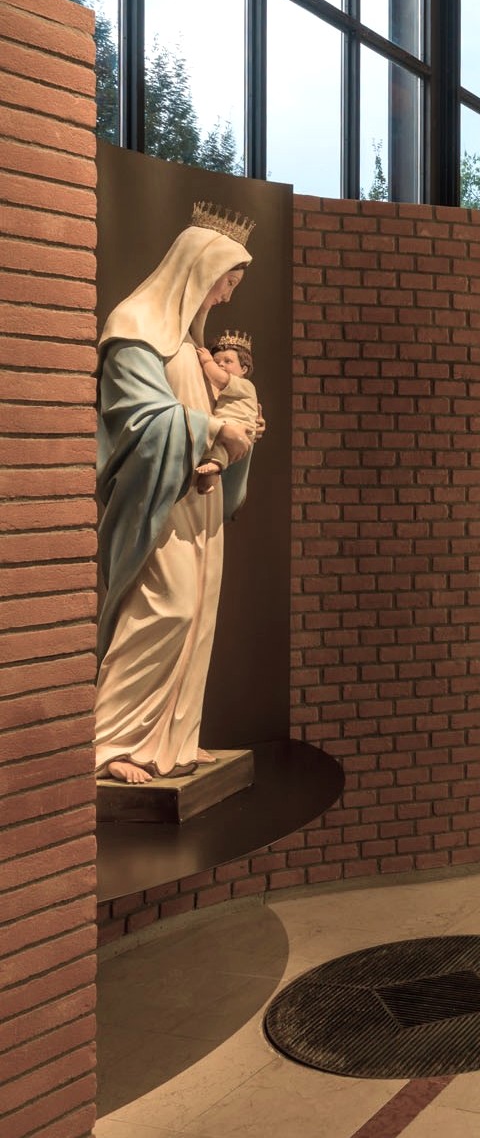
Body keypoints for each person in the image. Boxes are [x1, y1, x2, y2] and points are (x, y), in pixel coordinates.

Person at [94, 204, 260, 783]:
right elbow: (135, 419)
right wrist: (214, 429)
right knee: (167, 606)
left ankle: (173, 739)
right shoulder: (134, 327)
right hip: (157, 497)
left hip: (197, 494)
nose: (226, 297)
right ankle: (111, 741)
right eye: (226, 282)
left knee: (199, 615)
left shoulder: (189, 346)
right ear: (198, 270)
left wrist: (235, 435)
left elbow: (210, 408)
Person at [194, 330, 258, 495]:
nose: (221, 365)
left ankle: (214, 468)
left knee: (218, 450)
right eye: (217, 361)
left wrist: (208, 361)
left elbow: (220, 378)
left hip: (238, 426)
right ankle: (209, 481)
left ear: (243, 369)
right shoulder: (225, 391)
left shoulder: (244, 385)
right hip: (230, 427)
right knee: (218, 454)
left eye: (227, 361)